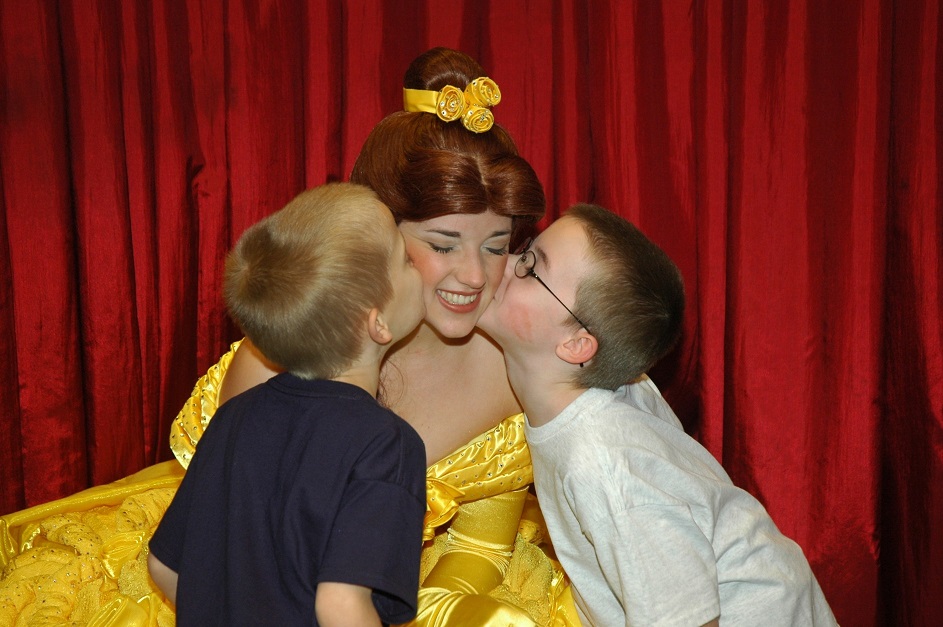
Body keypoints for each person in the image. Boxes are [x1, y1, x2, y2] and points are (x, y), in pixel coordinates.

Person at [0, 48, 578, 627]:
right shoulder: (279, 359)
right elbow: (215, 543)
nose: (474, 276)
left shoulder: (514, 366)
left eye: (496, 246)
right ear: (375, 235)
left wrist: (432, 611)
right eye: (442, 245)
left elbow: (479, 547)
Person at [478, 203, 838, 626]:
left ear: (577, 344)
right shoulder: (615, 390)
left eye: (531, 267)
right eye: (525, 249)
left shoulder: (604, 464)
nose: (505, 263)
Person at [147, 183, 427, 625]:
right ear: (377, 324)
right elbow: (340, 604)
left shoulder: (233, 418)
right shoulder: (386, 444)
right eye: (406, 259)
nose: (419, 265)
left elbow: (163, 565)